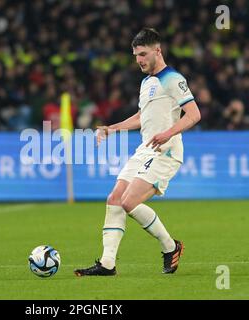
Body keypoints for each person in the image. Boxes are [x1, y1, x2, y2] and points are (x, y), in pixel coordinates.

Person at [74, 28, 201, 276]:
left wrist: (168, 133)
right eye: (135, 55)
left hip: (165, 151)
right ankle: (107, 264)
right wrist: (114, 128)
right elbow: (144, 117)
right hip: (145, 149)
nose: (139, 60)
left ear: (158, 51)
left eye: (143, 54)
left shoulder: (173, 79)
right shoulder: (147, 82)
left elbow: (194, 115)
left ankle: (170, 246)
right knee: (114, 200)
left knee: (129, 201)